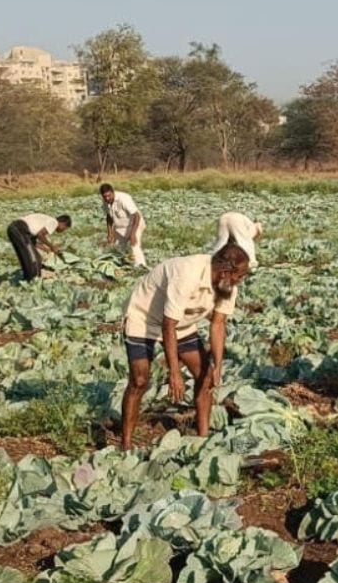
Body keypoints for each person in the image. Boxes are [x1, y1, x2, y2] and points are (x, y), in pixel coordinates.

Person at [118, 241, 252, 449]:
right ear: (226, 271)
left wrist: (217, 365)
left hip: (183, 323)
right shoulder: (188, 274)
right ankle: (125, 444)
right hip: (143, 318)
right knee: (140, 380)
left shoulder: (227, 287)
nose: (241, 281)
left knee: (206, 376)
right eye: (239, 275)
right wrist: (175, 373)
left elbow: (218, 324)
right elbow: (167, 324)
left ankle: (203, 439)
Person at [7, 213, 71, 282]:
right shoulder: (54, 222)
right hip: (20, 229)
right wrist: (52, 247)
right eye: (65, 228)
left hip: (15, 229)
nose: (63, 230)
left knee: (27, 258)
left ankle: (27, 279)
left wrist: (43, 247)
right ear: (63, 223)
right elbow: (40, 235)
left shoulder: (46, 220)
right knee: (34, 260)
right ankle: (34, 281)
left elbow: (32, 241)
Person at [100, 183, 145, 267]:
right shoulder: (105, 201)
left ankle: (141, 267)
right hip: (121, 227)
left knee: (134, 246)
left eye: (109, 195)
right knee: (118, 249)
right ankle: (120, 267)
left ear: (113, 192)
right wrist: (109, 234)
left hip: (135, 224)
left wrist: (133, 234)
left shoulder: (123, 199)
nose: (107, 198)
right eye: (105, 197)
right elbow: (109, 217)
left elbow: (136, 216)